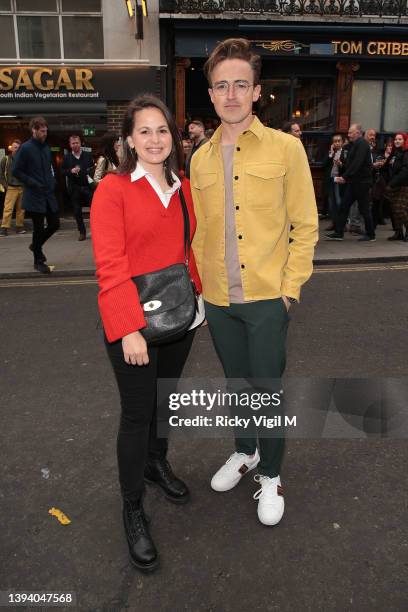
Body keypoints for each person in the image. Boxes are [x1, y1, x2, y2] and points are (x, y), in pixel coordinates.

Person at [190, 38, 318, 526]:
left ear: (256, 91)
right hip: (219, 301)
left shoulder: (286, 149)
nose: (231, 94)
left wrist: (289, 292)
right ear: (212, 93)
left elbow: (306, 226)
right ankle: (245, 452)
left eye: (240, 84)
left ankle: (273, 474)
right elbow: (199, 233)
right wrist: (201, 292)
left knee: (266, 390)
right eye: (221, 85)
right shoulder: (199, 159)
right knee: (236, 385)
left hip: (267, 298)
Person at [90, 94, 204, 572]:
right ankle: (132, 505)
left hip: (181, 314)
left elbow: (189, 247)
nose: (155, 140)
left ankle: (157, 464)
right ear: (129, 140)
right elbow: (110, 265)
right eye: (144, 131)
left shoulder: (185, 186)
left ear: (173, 138)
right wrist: (128, 328)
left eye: (162, 130)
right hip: (133, 323)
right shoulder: (112, 190)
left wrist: (200, 297)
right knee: (138, 414)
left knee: (165, 400)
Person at [13, 116, 59, 274]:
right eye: (42, 131)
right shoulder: (25, 148)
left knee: (55, 224)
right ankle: (38, 261)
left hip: (47, 193)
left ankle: (35, 245)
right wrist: (32, 183)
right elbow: (16, 171)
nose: (45, 133)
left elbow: (49, 168)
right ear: (34, 130)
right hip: (34, 195)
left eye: (46, 131)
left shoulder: (46, 147)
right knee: (38, 228)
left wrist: (52, 181)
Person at [326, 123, 375, 242]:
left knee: (364, 209)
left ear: (358, 133)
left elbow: (357, 163)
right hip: (353, 182)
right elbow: (350, 163)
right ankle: (339, 232)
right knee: (344, 206)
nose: (348, 134)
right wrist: (345, 175)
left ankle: (370, 234)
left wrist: (344, 177)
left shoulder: (362, 144)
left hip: (362, 183)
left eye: (350, 132)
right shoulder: (354, 145)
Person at [61, 135, 94, 241]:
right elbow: (62, 171)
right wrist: (70, 171)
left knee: (94, 209)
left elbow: (93, 168)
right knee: (77, 211)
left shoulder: (88, 155)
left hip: (86, 186)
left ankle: (96, 229)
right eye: (73, 143)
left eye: (77, 143)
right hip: (74, 188)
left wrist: (88, 172)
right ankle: (82, 232)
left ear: (80, 143)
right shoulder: (67, 157)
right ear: (70, 145)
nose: (75, 145)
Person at [383, 132, 408, 241]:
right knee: (394, 210)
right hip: (393, 186)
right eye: (396, 139)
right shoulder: (394, 153)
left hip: (403, 185)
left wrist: (392, 183)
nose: (397, 141)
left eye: (400, 139)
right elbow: (386, 167)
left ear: (405, 141)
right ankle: (398, 232)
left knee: (400, 210)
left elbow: (405, 171)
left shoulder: (406, 153)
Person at [0, 139, 26, 236]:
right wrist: (6, 185)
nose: (17, 149)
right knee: (8, 208)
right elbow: (1, 174)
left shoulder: (24, 160)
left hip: (22, 187)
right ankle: (4, 228)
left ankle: (19, 227)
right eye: (15, 147)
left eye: (18, 148)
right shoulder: (6, 159)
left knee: (21, 209)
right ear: (11, 148)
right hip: (11, 187)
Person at [323, 133, 344, 230]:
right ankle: (334, 223)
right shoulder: (331, 153)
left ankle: (341, 223)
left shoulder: (344, 153)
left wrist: (341, 164)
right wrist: (331, 153)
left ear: (342, 142)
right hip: (330, 180)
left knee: (339, 202)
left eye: (338, 141)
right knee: (331, 203)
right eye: (335, 141)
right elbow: (324, 165)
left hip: (339, 180)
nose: (337, 143)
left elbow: (348, 167)